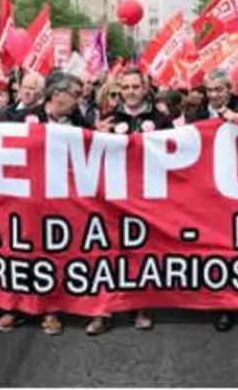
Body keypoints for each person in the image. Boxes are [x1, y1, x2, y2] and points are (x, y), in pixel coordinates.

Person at [0, 74, 91, 336]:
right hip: (24, 201)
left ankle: (51, 310)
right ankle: (13, 307)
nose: (78, 100)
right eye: (75, 94)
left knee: (53, 254)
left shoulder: (80, 122)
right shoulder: (19, 118)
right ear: (56, 94)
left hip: (60, 203)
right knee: (19, 252)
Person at [84, 67, 172, 336]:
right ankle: (103, 309)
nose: (131, 92)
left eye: (136, 87)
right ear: (119, 90)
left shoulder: (160, 119)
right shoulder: (107, 118)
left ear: (144, 89)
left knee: (141, 251)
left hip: (146, 196)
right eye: (126, 87)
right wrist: (93, 133)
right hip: (112, 196)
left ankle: (140, 306)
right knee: (106, 252)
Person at [186, 69, 238, 332]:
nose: (215, 95)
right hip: (211, 192)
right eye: (210, 90)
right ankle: (225, 307)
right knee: (218, 249)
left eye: (220, 89)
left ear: (230, 89)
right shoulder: (196, 115)